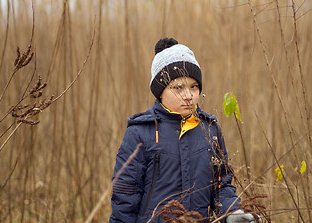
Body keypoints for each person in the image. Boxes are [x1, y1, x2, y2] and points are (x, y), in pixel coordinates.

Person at [109, 38, 261, 223]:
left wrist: (232, 213)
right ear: (161, 91)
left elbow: (221, 186)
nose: (188, 96)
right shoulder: (141, 132)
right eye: (178, 88)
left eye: (193, 87)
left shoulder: (210, 130)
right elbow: (125, 198)